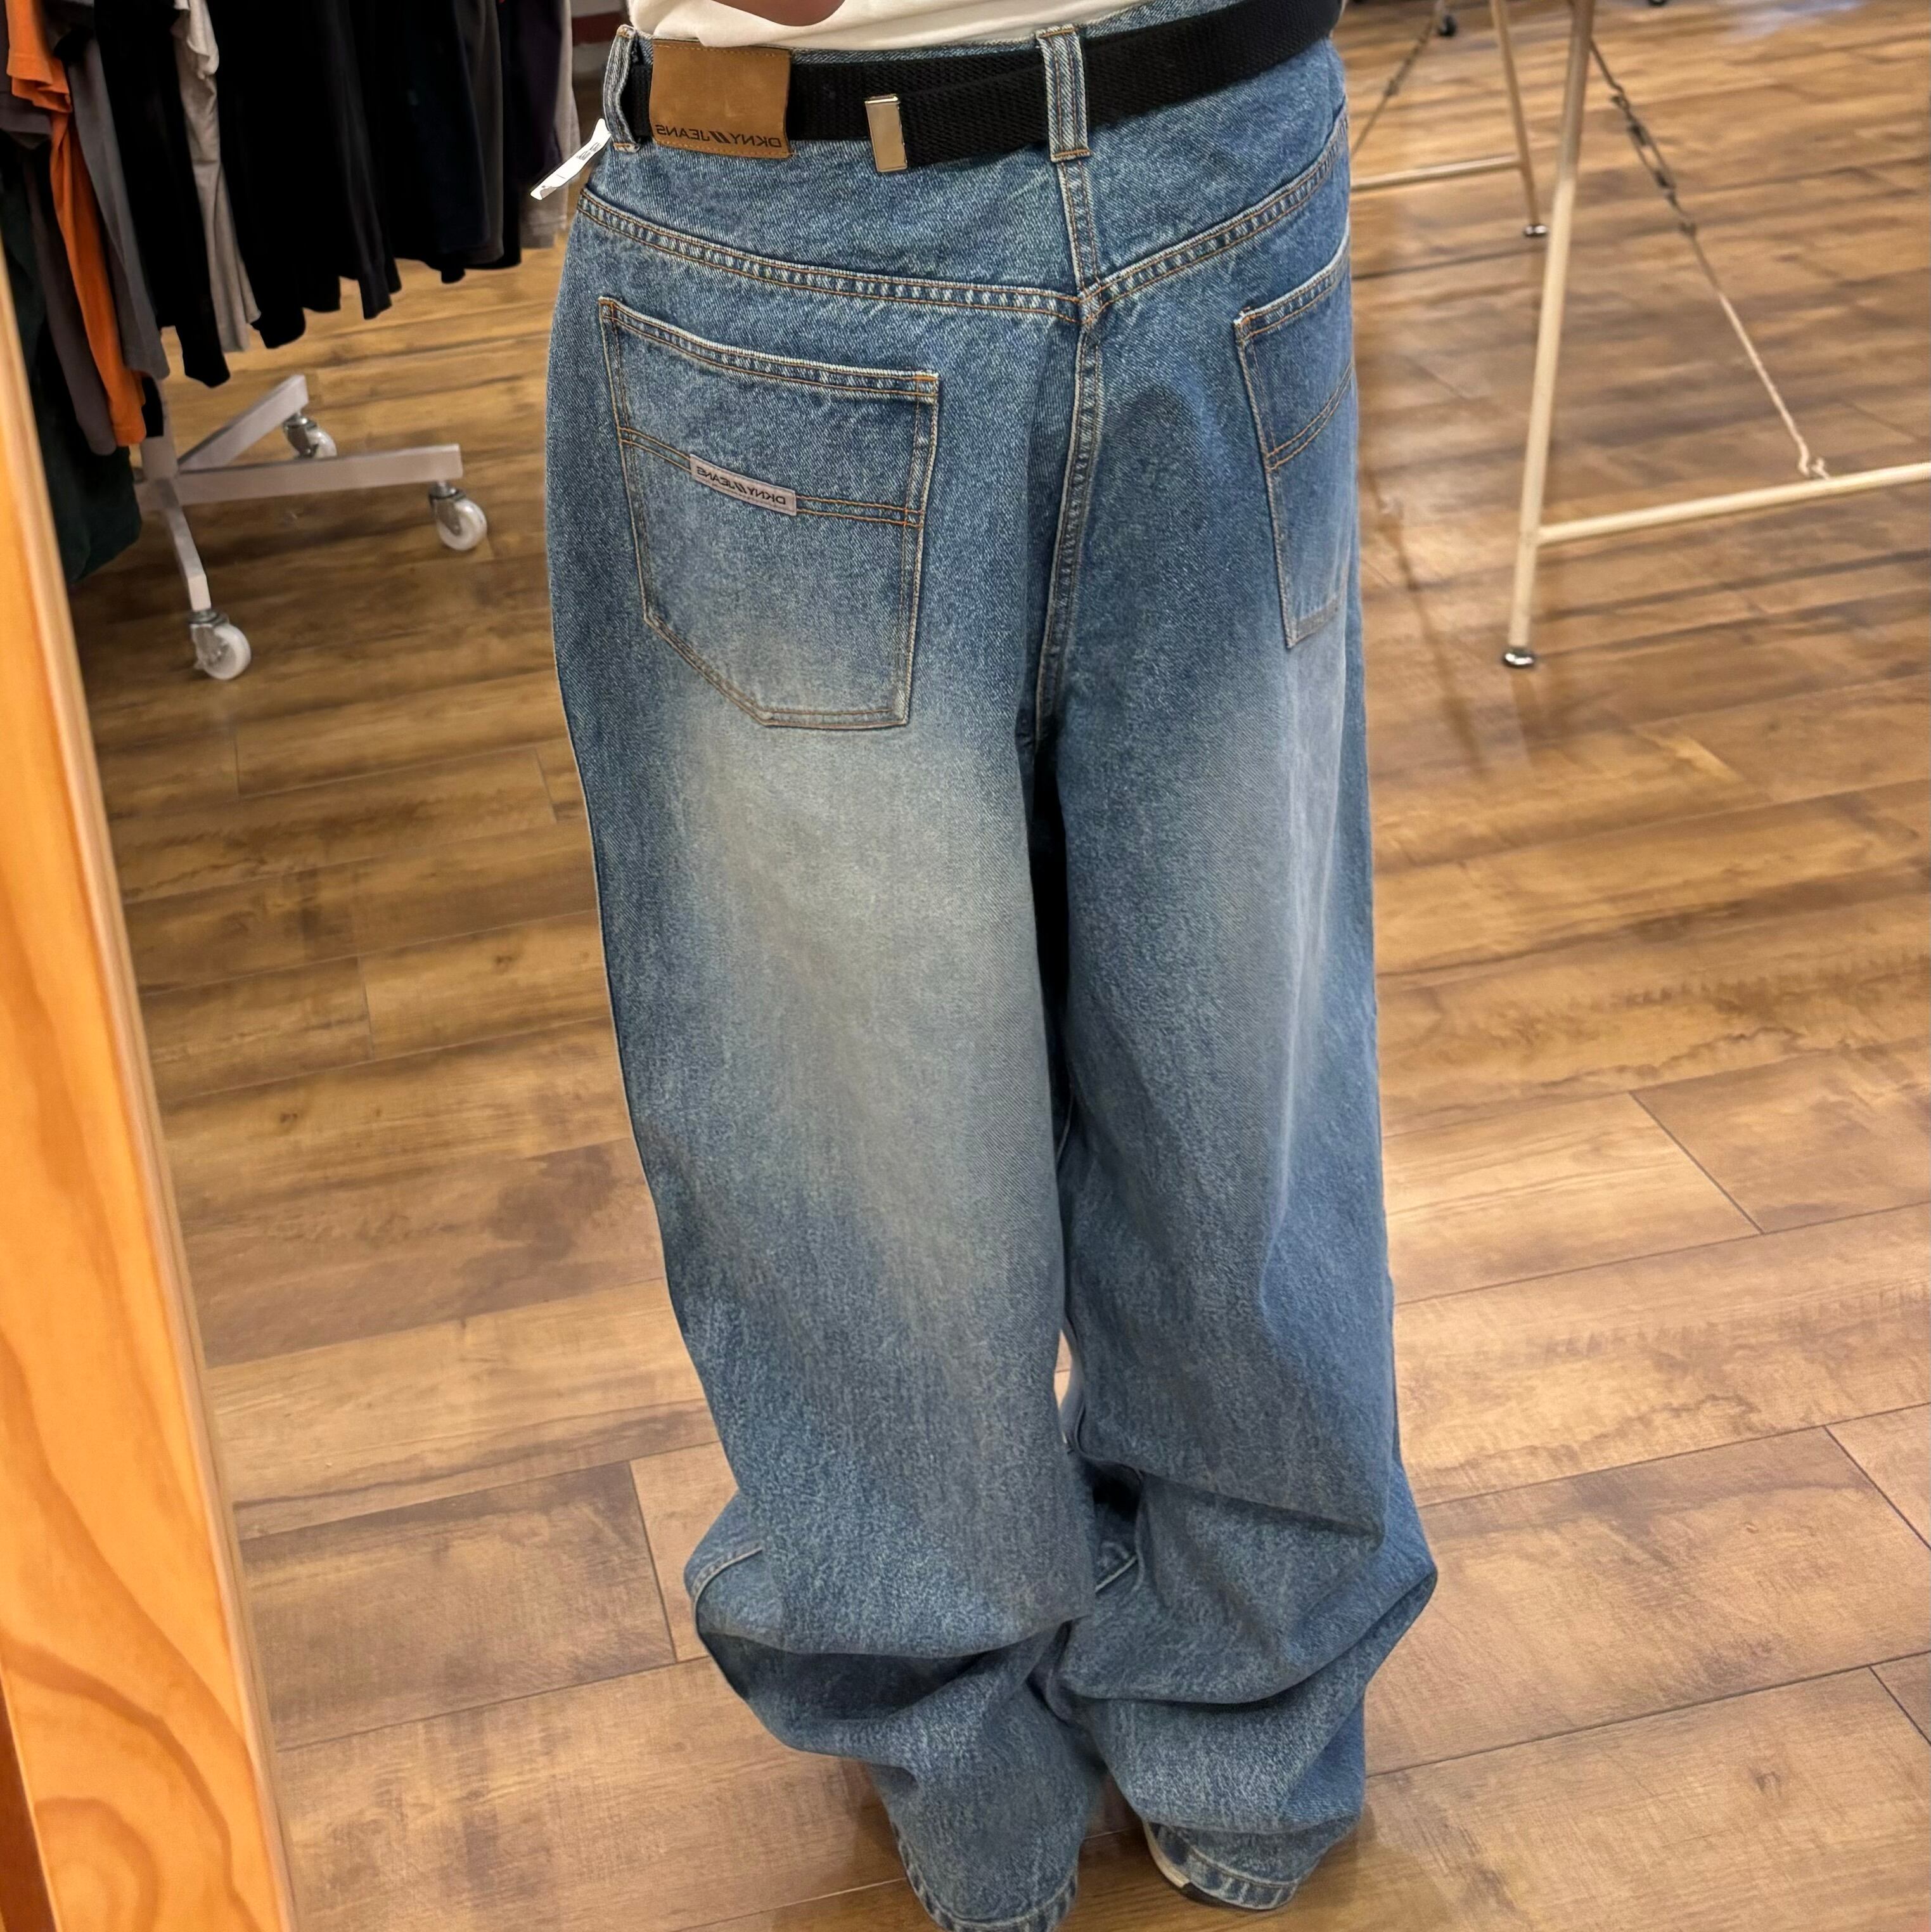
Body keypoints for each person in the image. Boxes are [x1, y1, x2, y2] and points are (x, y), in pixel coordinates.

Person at [542, 0, 1435, 1919]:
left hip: (1179, 143)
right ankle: (1104, 1738)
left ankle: (1123, 1730)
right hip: (855, 202)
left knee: (1182, 1060)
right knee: (929, 1109)